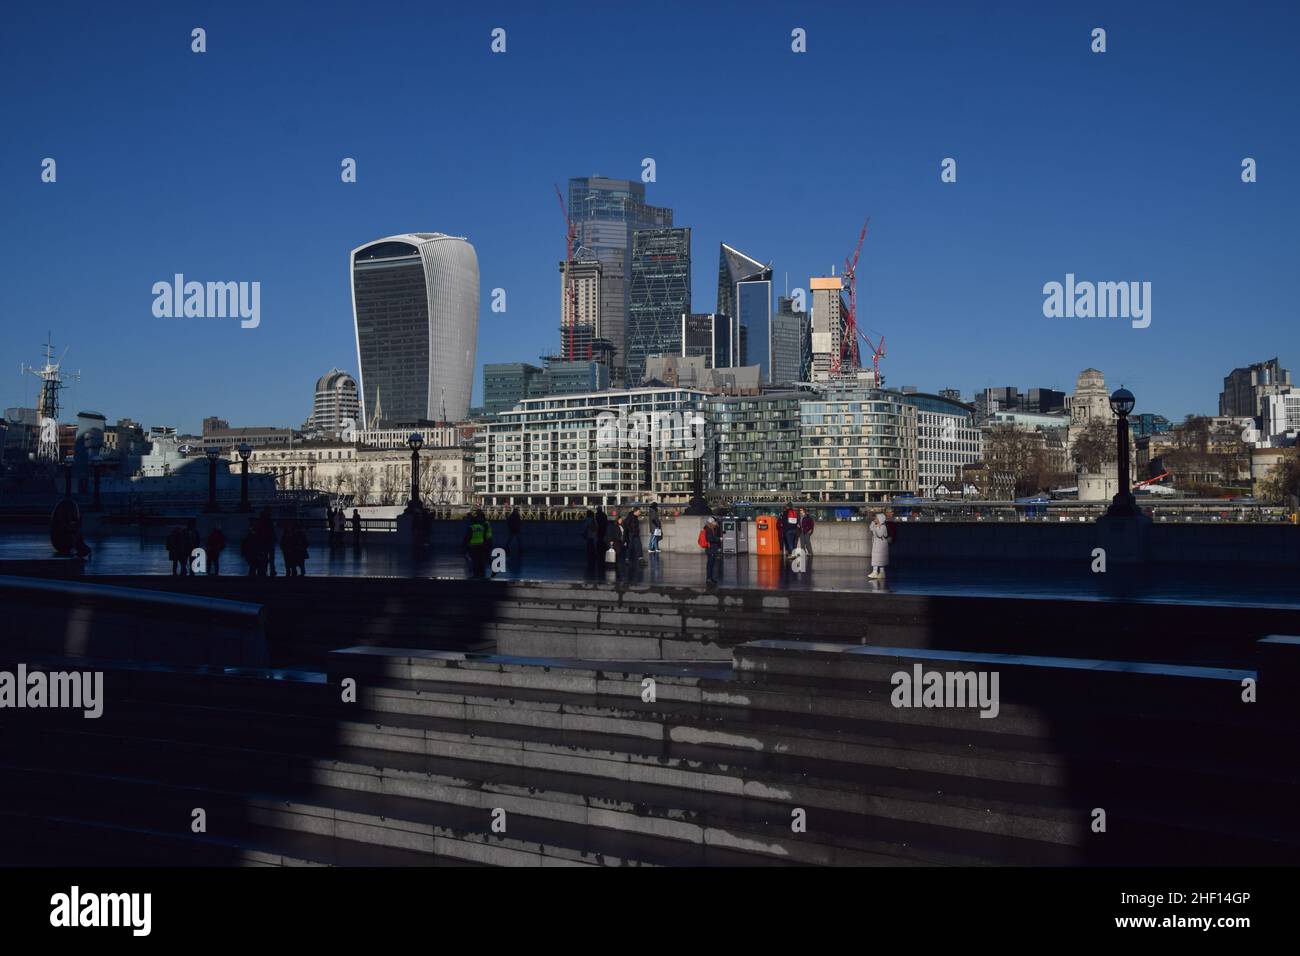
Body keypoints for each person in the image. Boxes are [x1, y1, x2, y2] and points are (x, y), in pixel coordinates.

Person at [463, 508, 493, 578]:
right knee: (482, 557)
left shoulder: (482, 525)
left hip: (483, 542)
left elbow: (468, 536)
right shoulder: (484, 524)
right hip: (484, 542)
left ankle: (479, 572)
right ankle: (483, 571)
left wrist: (465, 544)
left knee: (478, 558)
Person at [869, 512, 892, 580]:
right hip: (877, 544)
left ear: (880, 519)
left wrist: (877, 527)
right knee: (876, 557)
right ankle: (876, 572)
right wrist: (873, 522)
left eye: (876, 518)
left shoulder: (883, 526)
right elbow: (871, 529)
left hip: (881, 544)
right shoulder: (877, 525)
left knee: (880, 558)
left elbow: (879, 534)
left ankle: (880, 572)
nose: (875, 519)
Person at [704, 516, 723, 587]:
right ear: (711, 523)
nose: (715, 523)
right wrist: (719, 539)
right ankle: (709, 578)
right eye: (714, 522)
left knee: (711, 564)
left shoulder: (711, 529)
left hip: (712, 549)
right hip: (710, 549)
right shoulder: (708, 529)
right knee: (710, 564)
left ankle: (710, 578)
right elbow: (710, 539)